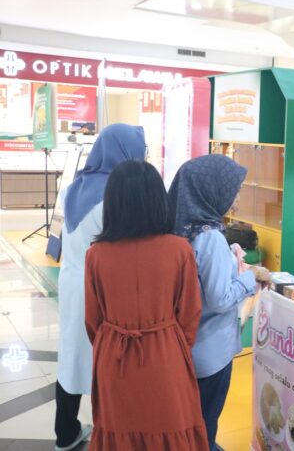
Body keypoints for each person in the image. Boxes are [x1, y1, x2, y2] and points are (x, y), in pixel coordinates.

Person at [84, 160, 208, 449]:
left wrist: (109, 342)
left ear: (113, 202)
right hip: (166, 355)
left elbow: (92, 320)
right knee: (171, 427)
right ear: (157, 200)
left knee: (118, 428)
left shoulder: (96, 254)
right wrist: (170, 344)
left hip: (113, 357)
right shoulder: (179, 249)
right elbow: (190, 315)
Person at [168, 154, 270, 451]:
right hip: (211, 351)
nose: (236, 197)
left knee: (190, 421)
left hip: (186, 346)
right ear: (210, 190)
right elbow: (220, 298)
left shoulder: (179, 229)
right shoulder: (209, 236)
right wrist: (251, 277)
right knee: (205, 422)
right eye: (233, 190)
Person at [55, 123, 146, 451]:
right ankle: (110, 435)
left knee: (71, 355)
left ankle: (65, 432)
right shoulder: (117, 194)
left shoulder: (73, 187)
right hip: (103, 288)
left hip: (71, 282)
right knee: (105, 359)